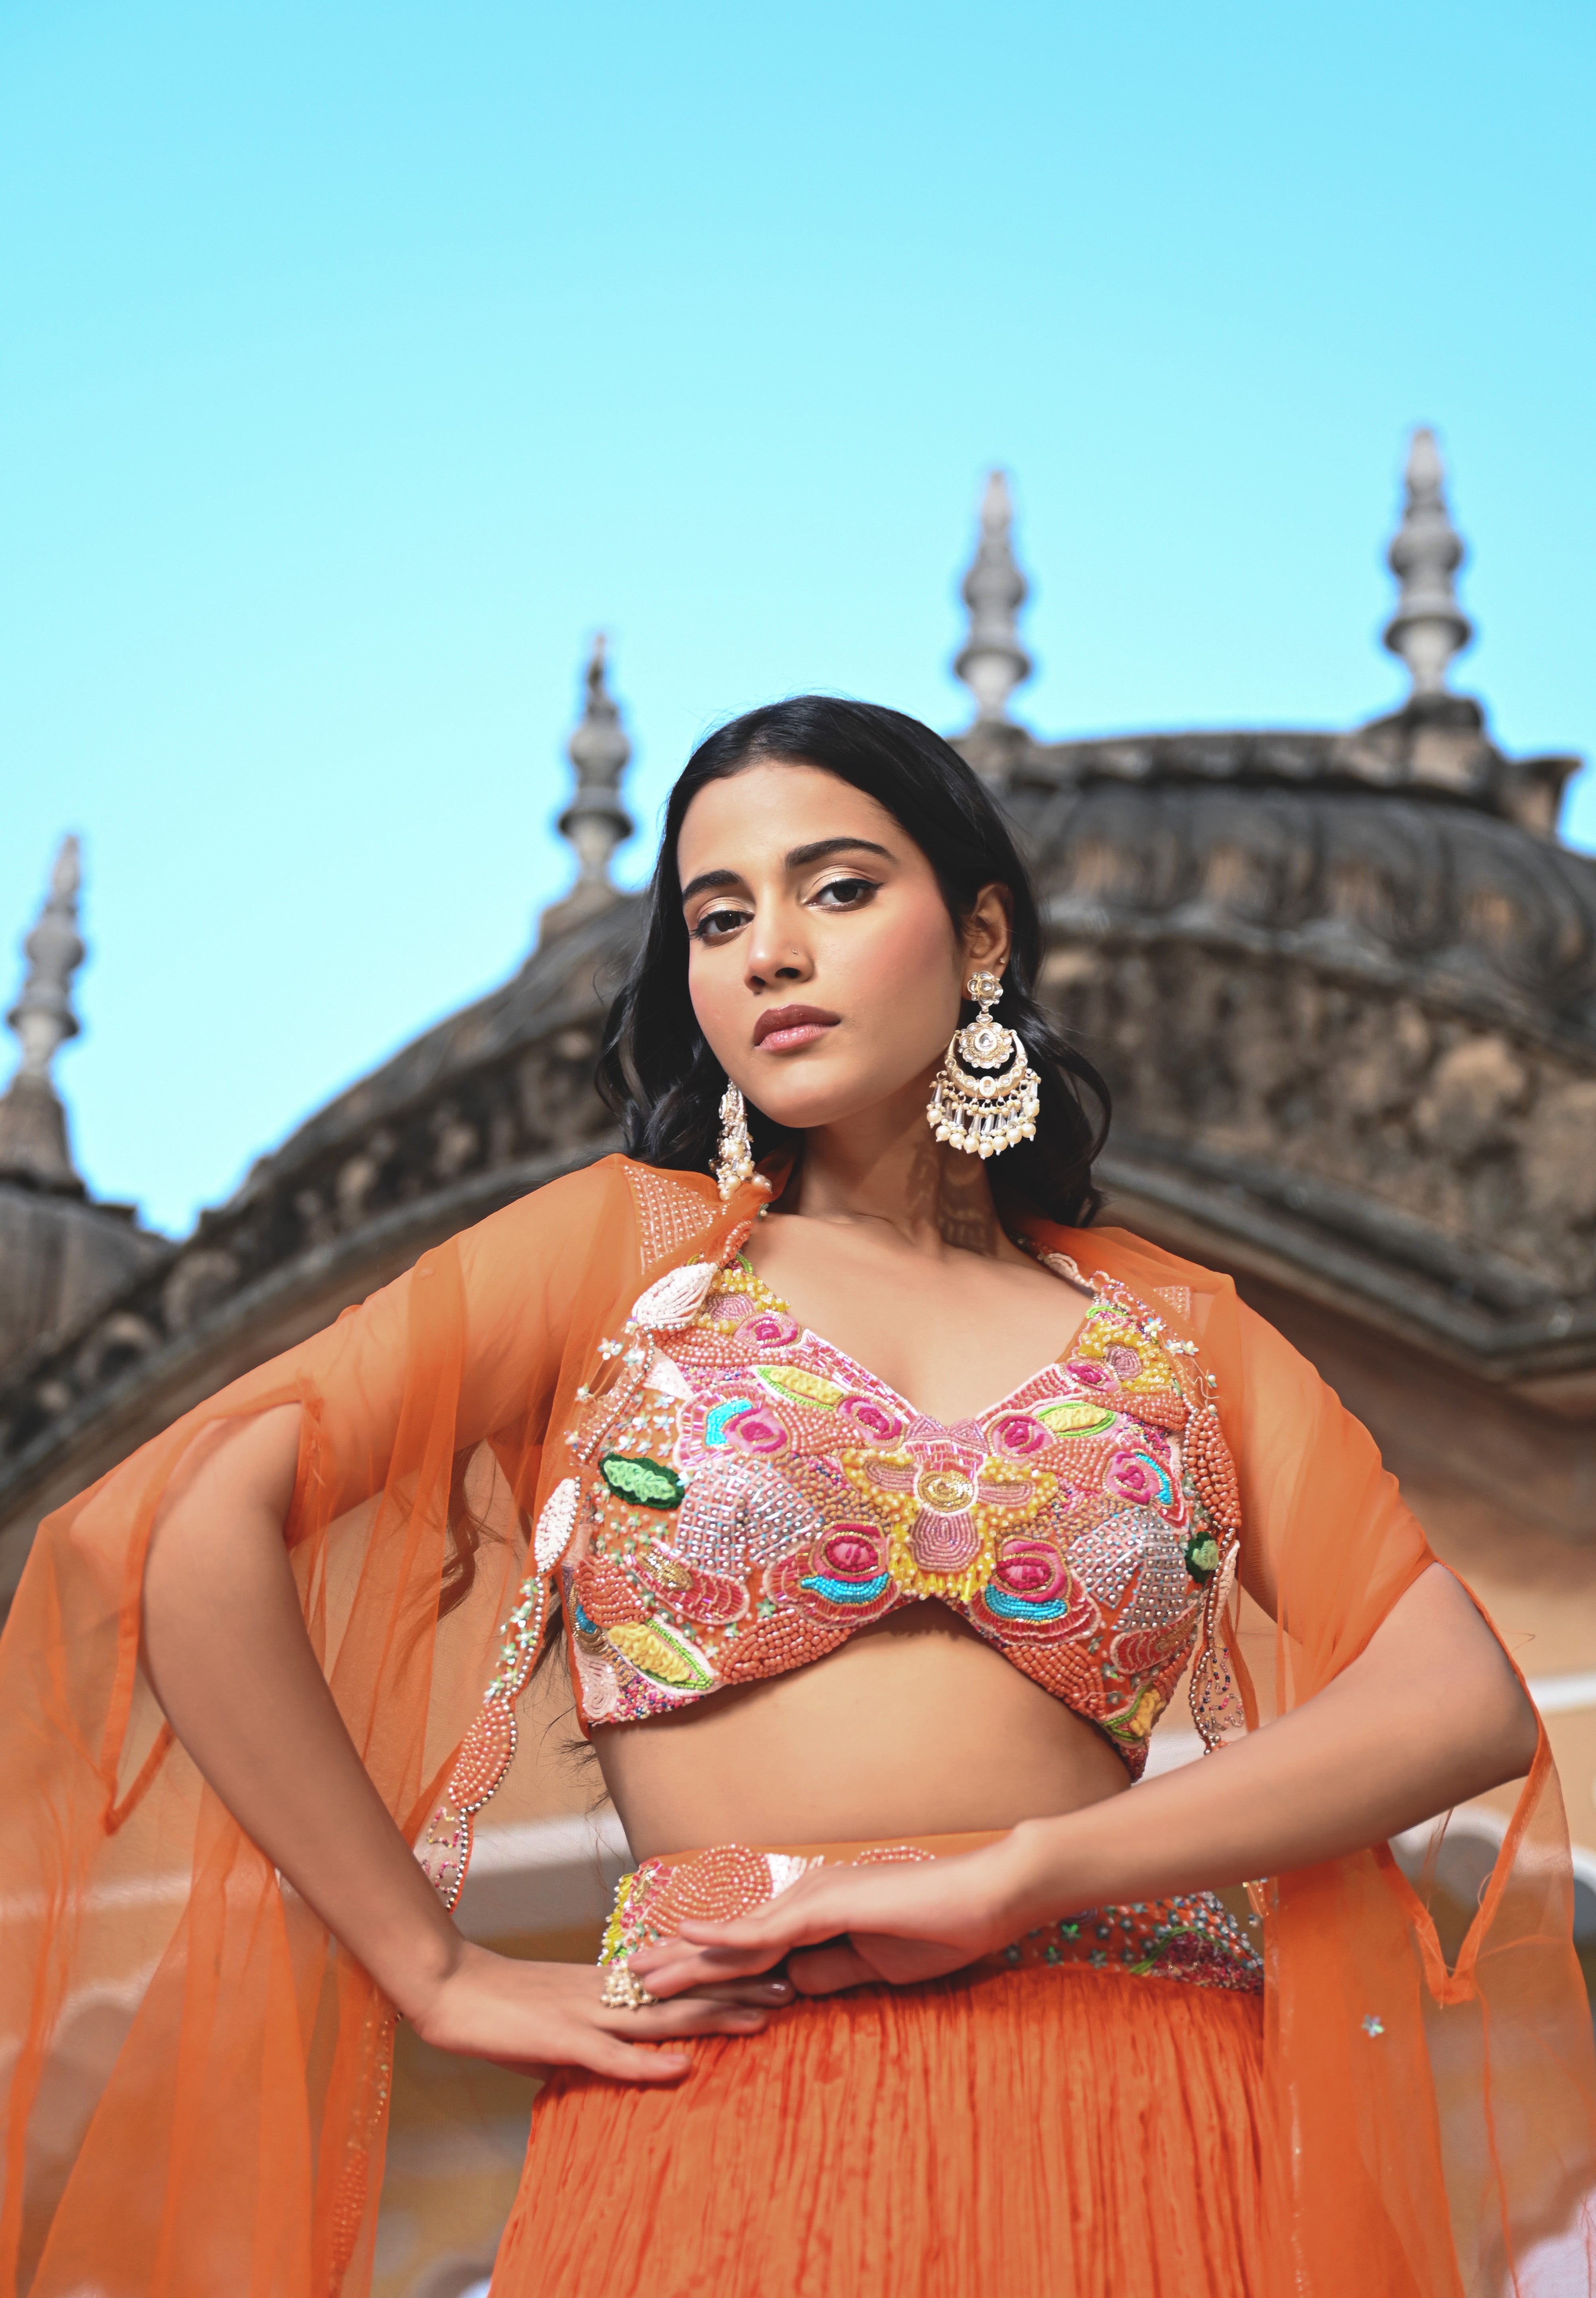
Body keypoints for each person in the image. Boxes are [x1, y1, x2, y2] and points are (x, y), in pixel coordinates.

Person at [0, 700, 1590, 2298]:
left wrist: (1022, 1876)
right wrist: (434, 1972)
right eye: (717, 917)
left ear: (979, 934)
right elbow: (190, 1530)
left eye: (835, 889)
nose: (770, 952)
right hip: (730, 2093)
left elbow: (1457, 1700)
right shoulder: (626, 1259)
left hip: (1142, 2105)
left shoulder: (1172, 1329)